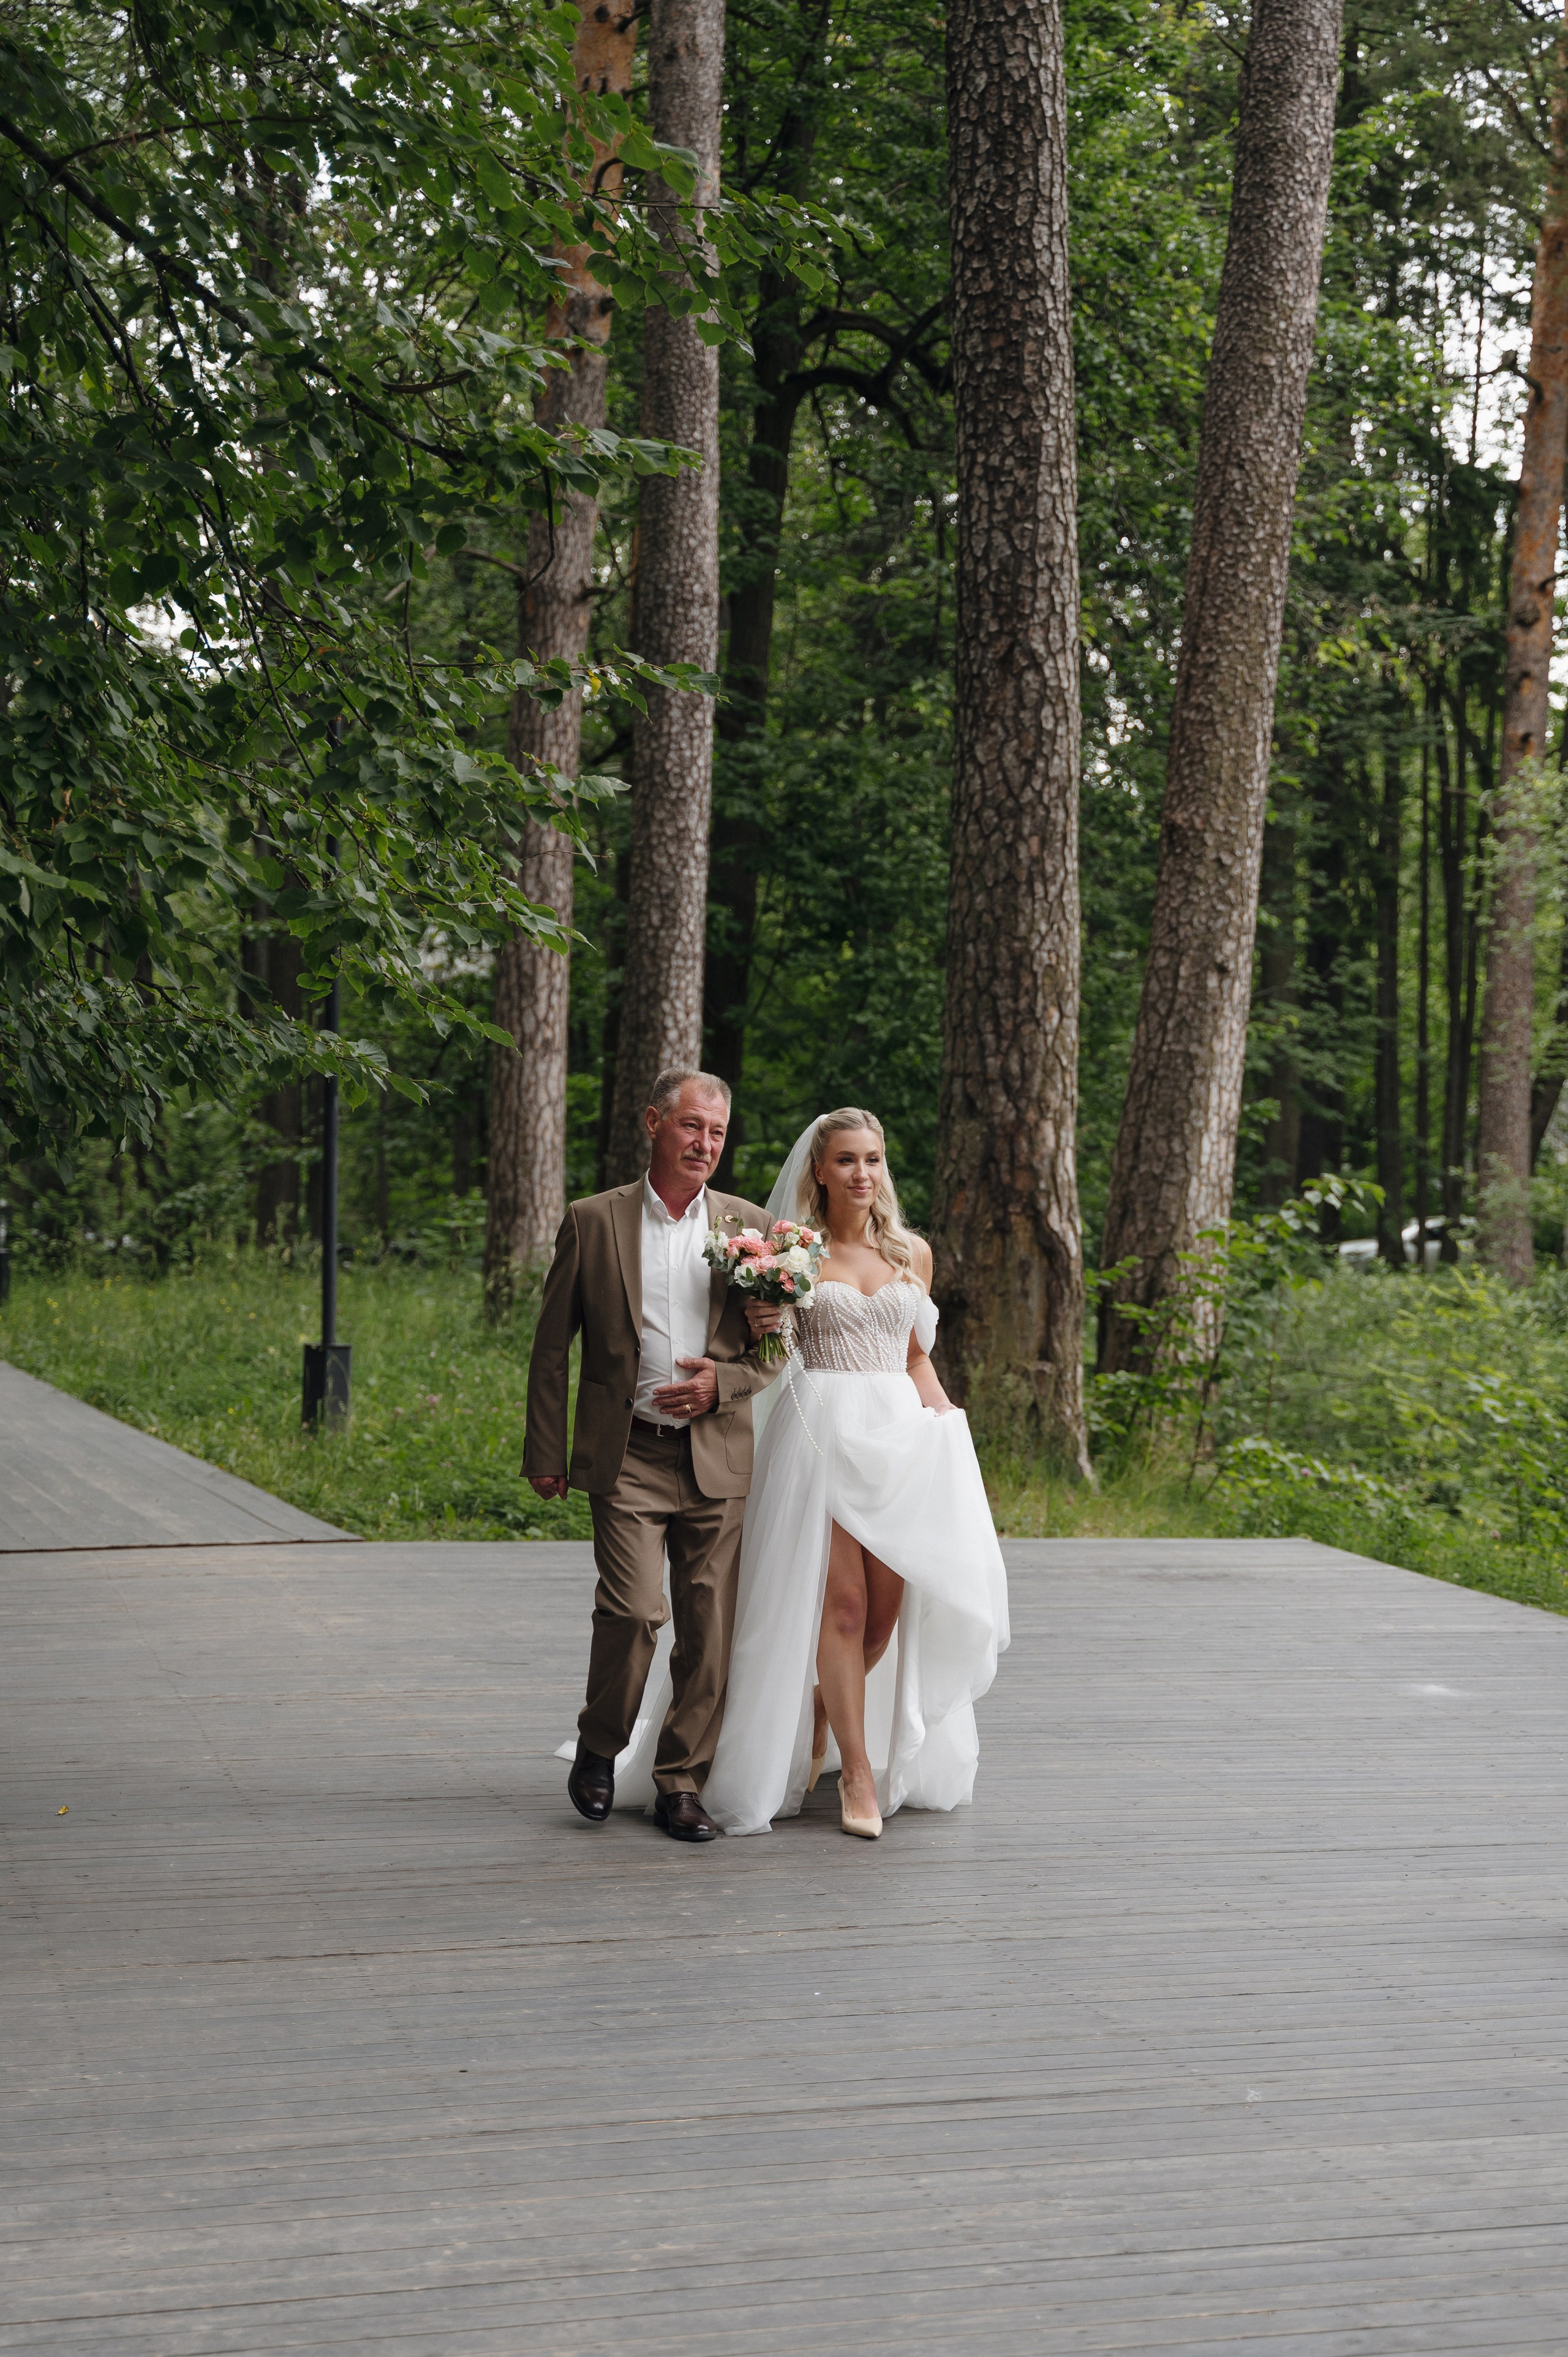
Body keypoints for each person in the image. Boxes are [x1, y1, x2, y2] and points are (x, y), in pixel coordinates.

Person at [615, 1107, 1009, 1839]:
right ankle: (855, 1775)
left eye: (873, 1159)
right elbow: (770, 1353)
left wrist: (947, 1422)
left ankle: (826, 1718)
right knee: (845, 1609)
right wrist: (763, 1327)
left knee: (882, 1623)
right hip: (821, 1426)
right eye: (847, 1160)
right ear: (819, 1170)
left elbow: (915, 1355)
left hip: (899, 1440)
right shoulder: (790, 1251)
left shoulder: (911, 1254)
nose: (863, 1173)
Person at [523, 1071, 782, 1842]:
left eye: (717, 1133)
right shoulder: (594, 1220)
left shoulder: (751, 1225)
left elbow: (778, 1347)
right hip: (627, 1451)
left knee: (707, 1627)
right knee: (635, 1611)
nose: (704, 1144)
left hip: (716, 1454)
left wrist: (725, 1382)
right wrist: (546, 1449)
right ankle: (599, 1746)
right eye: (691, 1127)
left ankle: (681, 1781)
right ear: (653, 1123)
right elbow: (548, 1347)